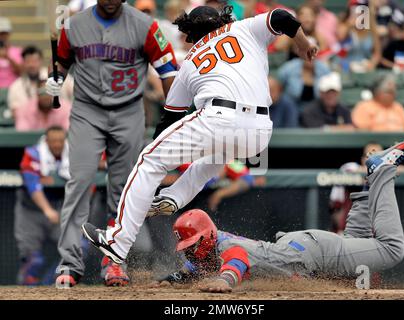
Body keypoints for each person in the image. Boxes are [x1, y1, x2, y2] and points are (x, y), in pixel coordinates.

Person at [81, 5, 318, 269]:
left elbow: (170, 116)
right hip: (260, 130)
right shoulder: (244, 28)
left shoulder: (191, 59)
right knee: (217, 157)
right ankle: (175, 197)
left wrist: (161, 149)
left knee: (150, 160)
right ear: (221, 21)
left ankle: (117, 242)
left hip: (219, 116)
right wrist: (303, 44)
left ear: (191, 33)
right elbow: (282, 17)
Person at [149, 140, 404, 293]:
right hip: (302, 249)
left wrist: (224, 280)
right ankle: (370, 185)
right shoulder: (208, 250)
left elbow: (237, 262)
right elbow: (193, 268)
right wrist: (170, 279)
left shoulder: (228, 248)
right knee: (356, 243)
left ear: (206, 237)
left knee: (391, 250)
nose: (191, 251)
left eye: (193, 244)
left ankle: (382, 171)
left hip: (313, 252)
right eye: (188, 247)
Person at [46, 0, 178, 287]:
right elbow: (61, 63)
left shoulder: (145, 25)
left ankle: (115, 262)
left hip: (128, 111)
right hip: (86, 111)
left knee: (122, 191)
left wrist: (175, 115)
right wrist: (53, 81)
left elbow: (168, 70)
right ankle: (69, 263)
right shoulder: (74, 24)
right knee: (78, 182)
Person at [15, 126, 69, 285]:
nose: (57, 144)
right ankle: (27, 291)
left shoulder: (73, 154)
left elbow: (86, 185)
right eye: (53, 141)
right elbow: (33, 186)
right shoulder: (33, 153)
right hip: (31, 210)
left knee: (77, 248)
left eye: (60, 140)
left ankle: (49, 287)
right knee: (33, 260)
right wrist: (47, 210)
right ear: (46, 141)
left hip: (60, 208)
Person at [0, 17, 23, 89]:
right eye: (1, 33)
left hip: (13, 89)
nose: (2, 36)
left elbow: (22, 72)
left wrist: (8, 57)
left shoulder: (18, 51)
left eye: (5, 33)